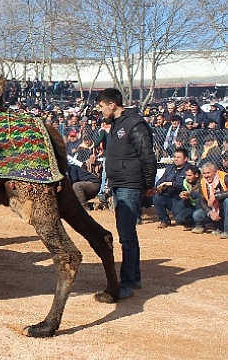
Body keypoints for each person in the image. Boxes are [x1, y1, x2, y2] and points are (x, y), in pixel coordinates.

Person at [94, 88, 156, 302]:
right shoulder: (116, 124)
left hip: (131, 185)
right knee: (128, 233)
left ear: (112, 104)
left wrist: (148, 184)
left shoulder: (134, 124)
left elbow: (147, 155)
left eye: (101, 106)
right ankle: (135, 277)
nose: (99, 110)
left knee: (126, 235)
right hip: (120, 184)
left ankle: (127, 284)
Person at [152, 148, 190, 228]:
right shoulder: (170, 168)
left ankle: (192, 220)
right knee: (157, 197)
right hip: (168, 196)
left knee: (180, 219)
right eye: (175, 157)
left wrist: (171, 184)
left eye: (179, 157)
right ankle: (164, 221)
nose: (176, 159)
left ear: (185, 159)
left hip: (180, 198)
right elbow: (161, 179)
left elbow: (185, 185)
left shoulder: (189, 170)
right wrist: (159, 186)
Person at [191, 162, 228, 238]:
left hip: (224, 207)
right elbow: (201, 199)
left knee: (227, 201)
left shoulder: (225, 177)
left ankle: (226, 230)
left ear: (215, 172)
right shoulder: (203, 181)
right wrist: (210, 212)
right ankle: (218, 226)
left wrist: (216, 195)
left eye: (208, 173)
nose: (206, 176)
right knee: (197, 215)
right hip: (215, 208)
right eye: (204, 173)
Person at [176, 165, 201, 230]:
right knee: (179, 219)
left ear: (196, 175)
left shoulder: (203, 181)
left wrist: (190, 194)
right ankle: (192, 223)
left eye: (189, 175)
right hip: (191, 205)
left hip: (203, 207)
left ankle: (200, 225)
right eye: (186, 175)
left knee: (199, 200)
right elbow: (187, 201)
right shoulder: (185, 182)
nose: (187, 177)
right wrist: (185, 198)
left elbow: (203, 196)